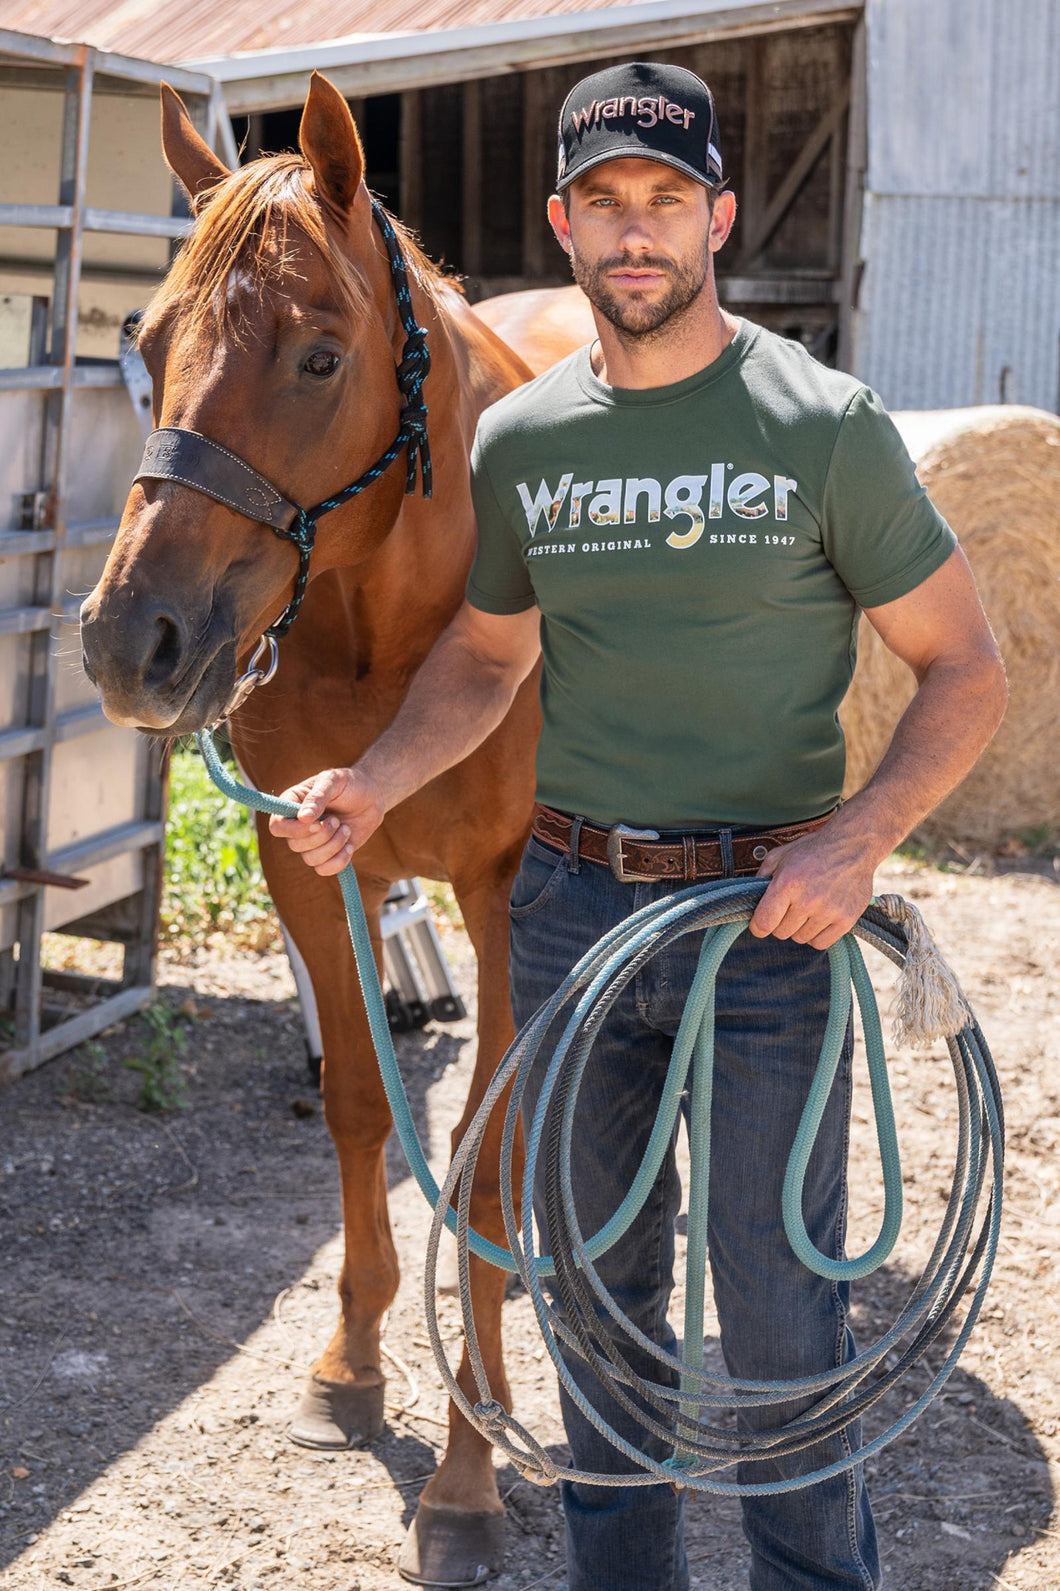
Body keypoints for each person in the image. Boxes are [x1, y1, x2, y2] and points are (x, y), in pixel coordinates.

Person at [269, 60, 1007, 1591]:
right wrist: (379, 784)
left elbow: (967, 664)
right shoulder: (526, 443)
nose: (637, 232)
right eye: (605, 203)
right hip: (570, 913)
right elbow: (484, 658)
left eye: (667, 199)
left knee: (785, 1315)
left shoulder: (826, 425)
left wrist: (858, 840)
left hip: (767, 923)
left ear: (720, 215)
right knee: (597, 1310)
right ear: (566, 222)